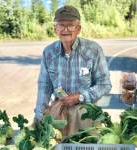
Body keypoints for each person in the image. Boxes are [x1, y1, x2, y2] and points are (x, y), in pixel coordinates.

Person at [34, 5, 111, 136]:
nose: (65, 29)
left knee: (85, 144)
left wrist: (79, 97)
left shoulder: (93, 50)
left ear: (78, 29)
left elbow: (104, 85)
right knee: (55, 144)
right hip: (58, 113)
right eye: (61, 25)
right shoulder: (49, 52)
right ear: (55, 29)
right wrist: (39, 116)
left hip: (86, 114)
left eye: (70, 25)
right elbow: (44, 87)